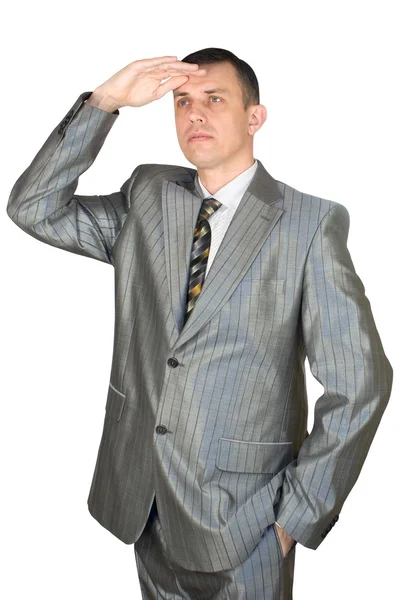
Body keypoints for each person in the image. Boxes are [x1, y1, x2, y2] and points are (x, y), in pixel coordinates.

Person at [6, 47, 393, 599]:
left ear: (254, 117)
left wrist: (295, 518)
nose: (195, 114)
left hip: (248, 524)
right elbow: (33, 207)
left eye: (215, 99)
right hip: (144, 502)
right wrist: (105, 101)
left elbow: (360, 381)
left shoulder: (309, 223)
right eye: (183, 101)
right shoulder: (147, 197)